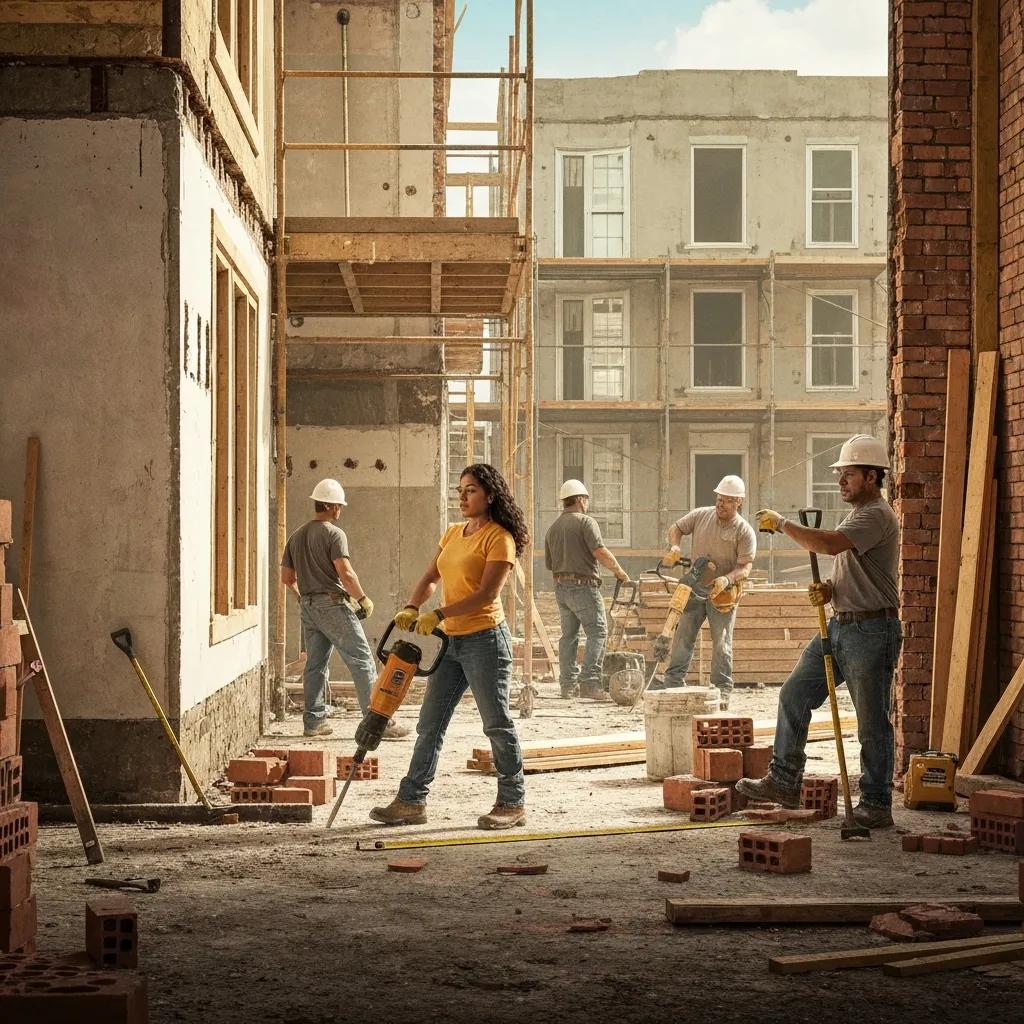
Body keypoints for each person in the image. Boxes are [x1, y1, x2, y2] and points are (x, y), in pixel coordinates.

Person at [737, 435, 901, 829]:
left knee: (871, 721)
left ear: (873, 476)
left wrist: (782, 524)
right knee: (794, 693)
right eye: (840, 475)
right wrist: (830, 590)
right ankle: (784, 781)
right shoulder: (856, 514)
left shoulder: (876, 514)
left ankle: (877, 803)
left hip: (871, 630)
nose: (841, 481)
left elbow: (828, 545)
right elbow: (851, 565)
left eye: (849, 475)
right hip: (841, 626)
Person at [370, 463, 529, 831]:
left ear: (490, 495)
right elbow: (430, 577)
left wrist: (438, 613)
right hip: (450, 644)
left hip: (485, 640)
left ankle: (512, 801)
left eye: (470, 490)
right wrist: (413, 606)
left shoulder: (499, 538)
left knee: (497, 724)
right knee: (430, 724)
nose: (462, 496)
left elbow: (486, 594)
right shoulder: (454, 533)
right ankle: (411, 801)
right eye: (460, 490)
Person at [280, 478, 408, 740]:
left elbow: (286, 579)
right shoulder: (333, 534)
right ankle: (376, 722)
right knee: (361, 660)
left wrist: (302, 597)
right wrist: (362, 598)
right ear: (329, 505)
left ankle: (314, 722)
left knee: (315, 665)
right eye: (338, 506)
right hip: (332, 604)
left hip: (309, 606)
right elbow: (345, 573)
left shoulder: (296, 536)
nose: (340, 510)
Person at [656, 475, 756, 709]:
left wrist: (727, 579)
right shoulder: (701, 515)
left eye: (727, 501)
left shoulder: (744, 530)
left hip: (722, 593)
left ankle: (722, 691)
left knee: (721, 643)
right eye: (719, 499)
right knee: (683, 636)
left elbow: (745, 567)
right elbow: (676, 528)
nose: (720, 504)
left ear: (739, 502)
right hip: (694, 586)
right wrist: (674, 546)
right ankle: (673, 684)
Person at [544, 479, 631, 699]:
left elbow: (549, 564)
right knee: (598, 632)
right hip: (583, 586)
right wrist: (620, 572)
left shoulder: (552, 529)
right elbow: (600, 551)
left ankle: (567, 685)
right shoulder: (586, 522)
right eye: (587, 500)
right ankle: (590, 684)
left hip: (561, 587)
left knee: (569, 636)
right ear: (581, 500)